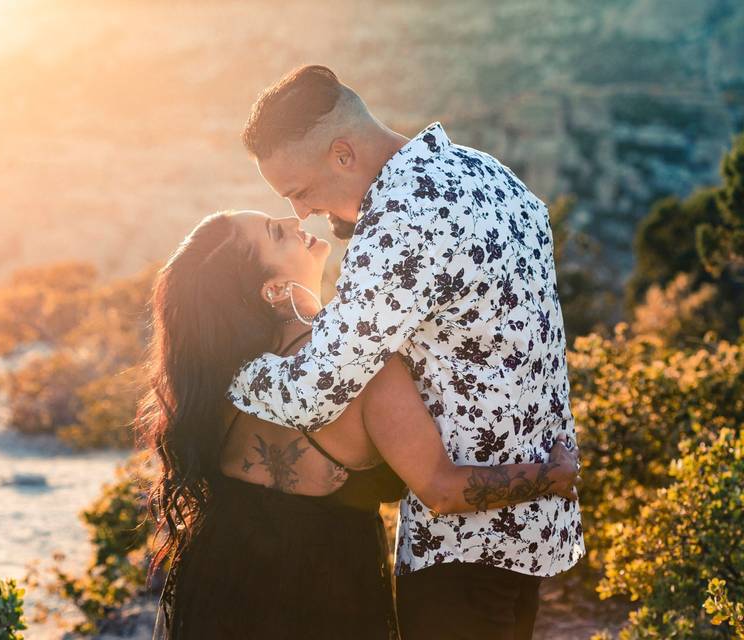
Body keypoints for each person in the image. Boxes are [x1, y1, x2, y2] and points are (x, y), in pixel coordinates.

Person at [227, 66, 585, 640]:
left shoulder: (400, 224)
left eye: (299, 191)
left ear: (343, 154)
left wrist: (232, 371)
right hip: (534, 529)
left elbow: (316, 394)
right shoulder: (485, 172)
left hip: (462, 550)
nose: (300, 213)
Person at [142, 210, 581, 640]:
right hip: (322, 600)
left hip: (216, 584)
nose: (296, 223)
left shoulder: (221, 372)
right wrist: (550, 476)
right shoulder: (363, 368)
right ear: (273, 288)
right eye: (278, 233)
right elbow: (443, 490)